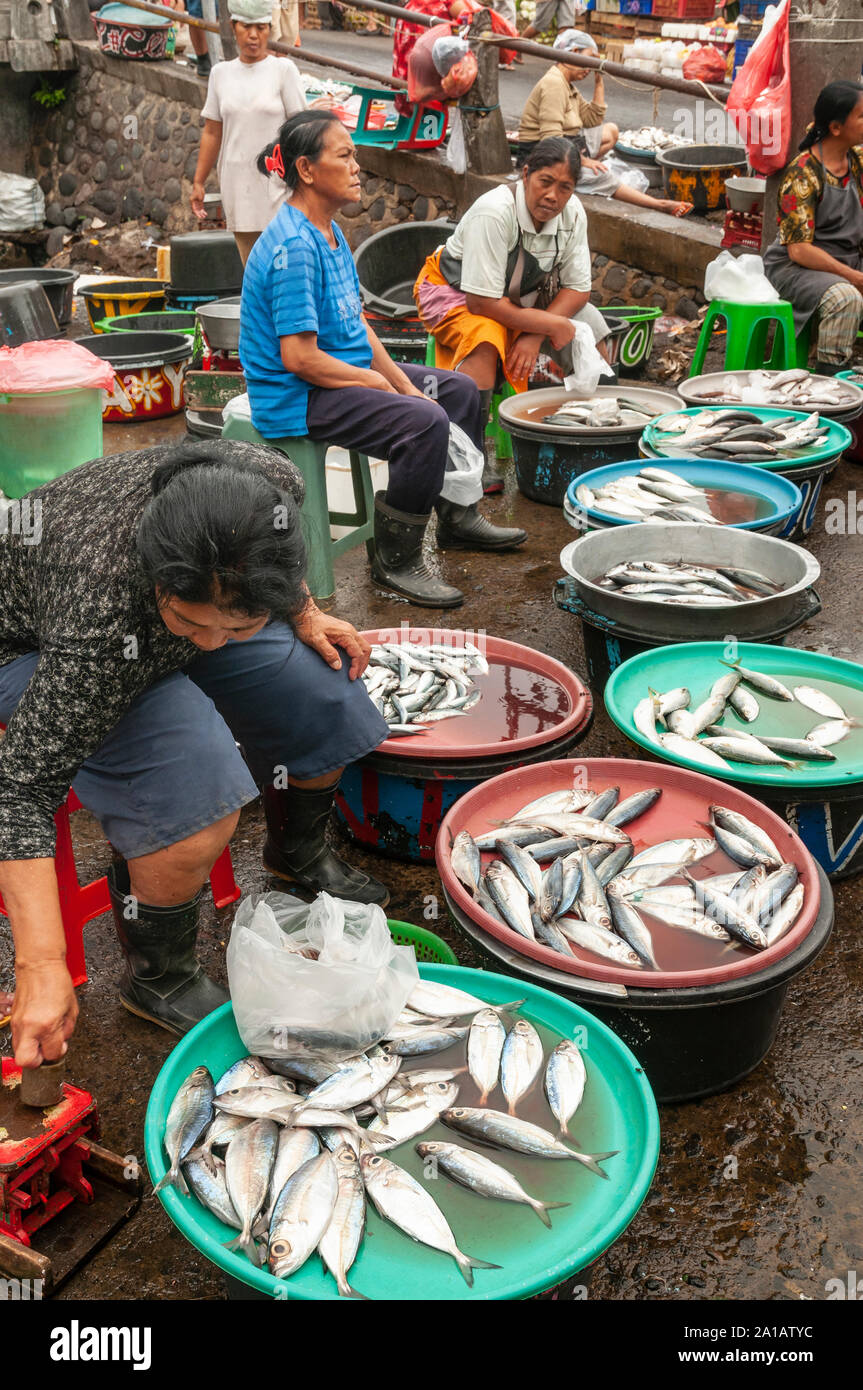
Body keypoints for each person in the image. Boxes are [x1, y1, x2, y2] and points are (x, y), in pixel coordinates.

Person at [0, 439, 396, 1065]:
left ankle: (297, 851)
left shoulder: (267, 483)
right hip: (39, 649)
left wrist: (304, 611)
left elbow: (264, 570)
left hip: (161, 614)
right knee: (197, 798)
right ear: (157, 579)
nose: (214, 646)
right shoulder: (102, 601)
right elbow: (21, 788)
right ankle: (160, 976)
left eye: (236, 628)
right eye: (192, 624)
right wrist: (40, 963)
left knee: (325, 694)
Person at [239, 110, 526, 611]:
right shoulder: (294, 247)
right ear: (306, 170)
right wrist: (376, 383)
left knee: (453, 391)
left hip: (339, 375)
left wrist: (399, 381)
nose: (357, 167)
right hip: (298, 395)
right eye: (345, 155)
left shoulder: (328, 233)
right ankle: (396, 559)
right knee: (423, 424)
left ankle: (457, 517)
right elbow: (299, 358)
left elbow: (359, 326)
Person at [415, 137, 610, 433]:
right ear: (526, 173)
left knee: (590, 323)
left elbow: (577, 290)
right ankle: (470, 448)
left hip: (520, 297)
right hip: (456, 292)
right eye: (545, 181)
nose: (553, 196)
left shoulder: (573, 215)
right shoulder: (494, 211)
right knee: (485, 336)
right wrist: (547, 324)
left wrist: (534, 333)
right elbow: (480, 303)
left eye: (565, 188)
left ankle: (598, 427)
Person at [518, 31, 693, 218]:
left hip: (569, 146)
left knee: (611, 131)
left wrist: (598, 80)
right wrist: (584, 161)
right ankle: (660, 204)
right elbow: (551, 139)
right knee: (603, 176)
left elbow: (592, 118)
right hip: (544, 156)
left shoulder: (567, 84)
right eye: (590, 59)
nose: (590, 66)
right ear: (574, 51)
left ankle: (584, 172)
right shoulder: (553, 83)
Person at [191, 0, 306, 264]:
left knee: (286, 268)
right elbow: (212, 133)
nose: (253, 35)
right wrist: (198, 182)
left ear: (269, 29)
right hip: (238, 185)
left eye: (261, 27)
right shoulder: (221, 74)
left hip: (278, 186)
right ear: (233, 27)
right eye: (246, 27)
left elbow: (302, 129)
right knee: (253, 271)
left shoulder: (283, 71)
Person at [763, 80, 863, 375]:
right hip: (796, 268)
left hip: (845, 261)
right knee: (845, 298)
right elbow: (799, 250)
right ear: (835, 128)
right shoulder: (803, 173)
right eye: (861, 116)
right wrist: (854, 277)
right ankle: (828, 383)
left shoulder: (854, 162)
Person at [392, 0, 518, 106]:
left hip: (403, 86)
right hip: (425, 91)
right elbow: (472, 19)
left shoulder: (412, 3)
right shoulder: (450, 2)